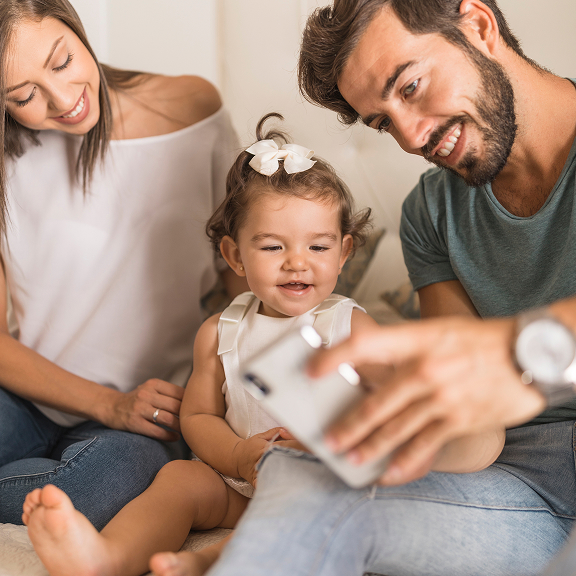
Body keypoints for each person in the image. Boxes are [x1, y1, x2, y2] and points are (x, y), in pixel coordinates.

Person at [20, 113, 505, 576]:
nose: (297, 263)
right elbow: (198, 417)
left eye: (318, 247)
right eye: (273, 247)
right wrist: (236, 457)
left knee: (318, 504)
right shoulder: (220, 332)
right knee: (178, 483)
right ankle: (106, 557)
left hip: (318, 482)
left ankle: (211, 562)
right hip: (236, 482)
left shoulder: (350, 327)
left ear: (343, 252)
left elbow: (394, 405)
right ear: (234, 254)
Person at [201, 1, 576, 575]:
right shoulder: (432, 210)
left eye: (412, 86)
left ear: (477, 24)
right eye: (382, 123)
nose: (412, 135)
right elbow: (470, 417)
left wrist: (522, 355)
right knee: (305, 487)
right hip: (516, 487)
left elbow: (492, 366)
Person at [0, 0, 239, 531]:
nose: (62, 100)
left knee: (84, 496)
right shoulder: (7, 156)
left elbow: (238, 282)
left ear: (75, 28)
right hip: (28, 395)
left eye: (61, 62)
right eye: (23, 96)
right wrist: (108, 403)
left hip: (151, 409)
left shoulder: (192, 108)